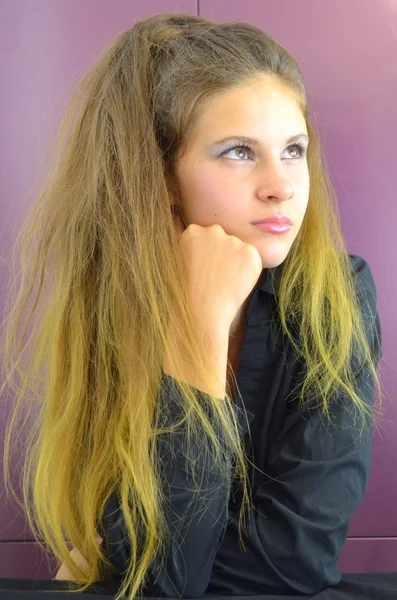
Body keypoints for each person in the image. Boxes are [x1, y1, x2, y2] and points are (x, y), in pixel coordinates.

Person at [1, 12, 383, 600]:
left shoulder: (338, 295)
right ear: (163, 176)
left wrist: (119, 568)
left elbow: (292, 567)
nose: (281, 184)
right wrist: (199, 333)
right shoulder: (119, 303)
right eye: (237, 152)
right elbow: (156, 576)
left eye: (293, 149)